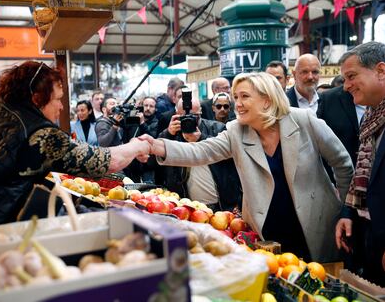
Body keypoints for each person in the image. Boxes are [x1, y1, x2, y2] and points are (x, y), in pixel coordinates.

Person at [143, 72, 353, 262]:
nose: (238, 104)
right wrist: (154, 146)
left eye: (244, 96)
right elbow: (201, 151)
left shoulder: (303, 120)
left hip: (316, 225)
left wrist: (344, 210)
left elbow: (342, 164)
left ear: (266, 100)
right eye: (236, 98)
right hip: (267, 232)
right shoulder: (236, 131)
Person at [0, 61, 150, 245]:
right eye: (57, 99)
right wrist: (138, 146)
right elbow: (103, 161)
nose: (62, 107)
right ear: (37, 98)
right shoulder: (38, 131)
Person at [335, 42, 385, 287]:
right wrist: (349, 212)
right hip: (369, 234)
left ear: (381, 71)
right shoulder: (370, 117)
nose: (345, 86)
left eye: (351, 76)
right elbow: (361, 172)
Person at [158, 96, 242, 212]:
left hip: (222, 205)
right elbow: (154, 163)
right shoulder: (171, 133)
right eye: (183, 117)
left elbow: (231, 155)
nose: (189, 120)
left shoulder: (217, 128)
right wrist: (168, 134)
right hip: (187, 207)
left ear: (201, 112)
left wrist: (201, 138)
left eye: (194, 116)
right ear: (176, 114)